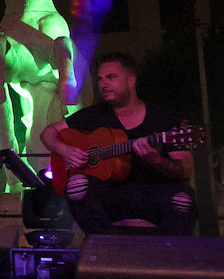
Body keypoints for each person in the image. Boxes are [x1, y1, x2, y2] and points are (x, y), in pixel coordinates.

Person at [39, 52, 196, 236]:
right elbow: (48, 133)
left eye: (111, 77)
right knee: (76, 185)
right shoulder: (95, 114)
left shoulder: (165, 119)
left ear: (130, 80)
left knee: (184, 200)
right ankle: (107, 247)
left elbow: (185, 170)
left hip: (153, 194)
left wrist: (156, 160)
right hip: (111, 197)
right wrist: (64, 149)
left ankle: (166, 257)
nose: (103, 84)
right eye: (100, 79)